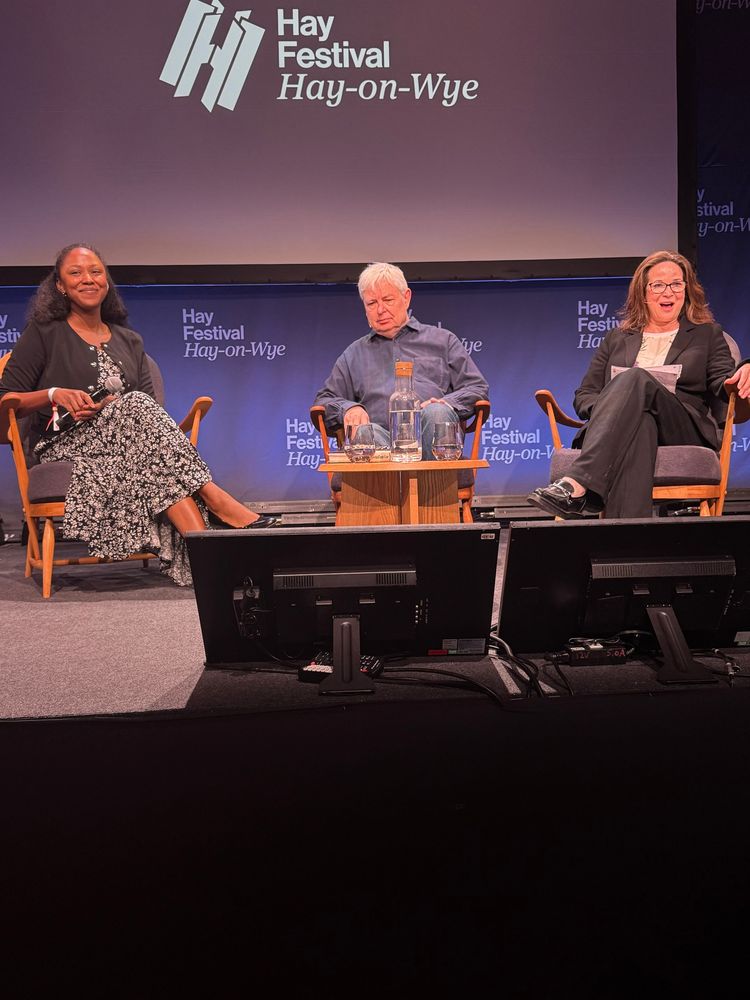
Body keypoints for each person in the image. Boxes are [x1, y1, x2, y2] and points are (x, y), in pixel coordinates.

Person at [0, 243, 275, 587]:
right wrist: (55, 394)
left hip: (128, 444)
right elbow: (6, 400)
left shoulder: (130, 340)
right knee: (136, 408)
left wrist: (111, 410)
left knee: (139, 415)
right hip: (65, 443)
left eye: (96, 272)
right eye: (76, 273)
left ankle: (209, 560)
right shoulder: (43, 333)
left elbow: (148, 409)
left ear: (106, 281)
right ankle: (215, 498)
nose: (88, 279)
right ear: (60, 285)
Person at [528, 250, 750, 519]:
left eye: (676, 284)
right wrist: (620, 405)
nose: (668, 292)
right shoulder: (618, 338)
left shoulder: (707, 334)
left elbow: (721, 381)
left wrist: (745, 368)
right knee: (639, 421)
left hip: (679, 426)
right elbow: (585, 396)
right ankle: (628, 546)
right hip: (623, 429)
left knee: (634, 377)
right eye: (658, 285)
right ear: (643, 293)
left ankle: (577, 483)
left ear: (687, 290)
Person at [313, 262, 489, 457]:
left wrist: (446, 404)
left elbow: (476, 388)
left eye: (388, 300)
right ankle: (402, 481)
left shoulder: (443, 341)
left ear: (406, 298)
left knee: (436, 413)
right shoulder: (353, 354)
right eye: (372, 303)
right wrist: (348, 408)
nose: (380, 310)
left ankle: (427, 484)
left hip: (430, 441)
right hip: (380, 443)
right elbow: (325, 400)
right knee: (366, 432)